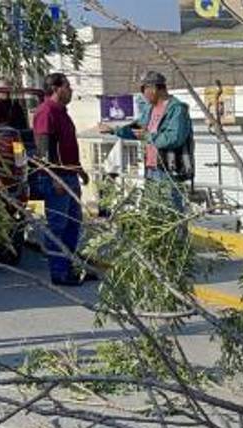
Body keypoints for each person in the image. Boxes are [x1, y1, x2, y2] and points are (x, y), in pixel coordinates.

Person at [98, 71, 194, 216]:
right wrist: (114, 130)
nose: (143, 94)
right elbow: (137, 129)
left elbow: (174, 138)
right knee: (153, 212)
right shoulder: (151, 109)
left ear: (153, 88)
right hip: (151, 169)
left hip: (169, 170)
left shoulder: (177, 109)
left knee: (170, 212)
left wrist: (148, 136)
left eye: (143, 89)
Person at [34, 72, 93, 286]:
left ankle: (70, 267)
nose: (71, 90)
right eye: (67, 86)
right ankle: (59, 272)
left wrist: (79, 170)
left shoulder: (62, 113)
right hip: (57, 179)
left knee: (73, 224)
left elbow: (67, 147)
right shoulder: (46, 112)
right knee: (57, 226)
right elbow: (44, 150)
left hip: (70, 175)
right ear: (56, 88)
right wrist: (54, 178)